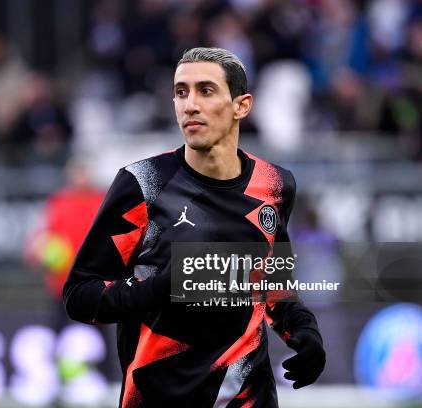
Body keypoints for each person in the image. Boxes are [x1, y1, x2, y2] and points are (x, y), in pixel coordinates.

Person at [63, 47, 325, 407]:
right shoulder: (142, 184)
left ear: (241, 106)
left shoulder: (276, 185)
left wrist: (304, 332)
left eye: (205, 90)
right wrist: (160, 288)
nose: (189, 105)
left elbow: (272, 283)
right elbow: (80, 296)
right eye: (181, 92)